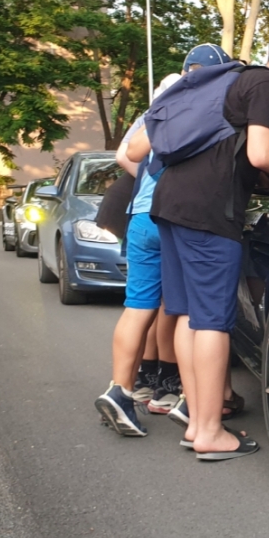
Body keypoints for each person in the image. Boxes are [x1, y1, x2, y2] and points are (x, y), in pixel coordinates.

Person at [141, 13, 269, 460]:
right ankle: (210, 431)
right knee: (212, 320)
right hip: (209, 212)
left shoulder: (235, 79)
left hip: (171, 204)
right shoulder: (268, 86)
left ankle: (197, 423)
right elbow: (261, 153)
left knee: (190, 316)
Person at [94, 72, 183, 436]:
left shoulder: (151, 117)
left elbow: (125, 155)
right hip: (169, 217)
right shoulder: (193, 113)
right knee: (177, 308)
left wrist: (148, 179)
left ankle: (122, 389)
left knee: (138, 305)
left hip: (138, 215)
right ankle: (172, 391)